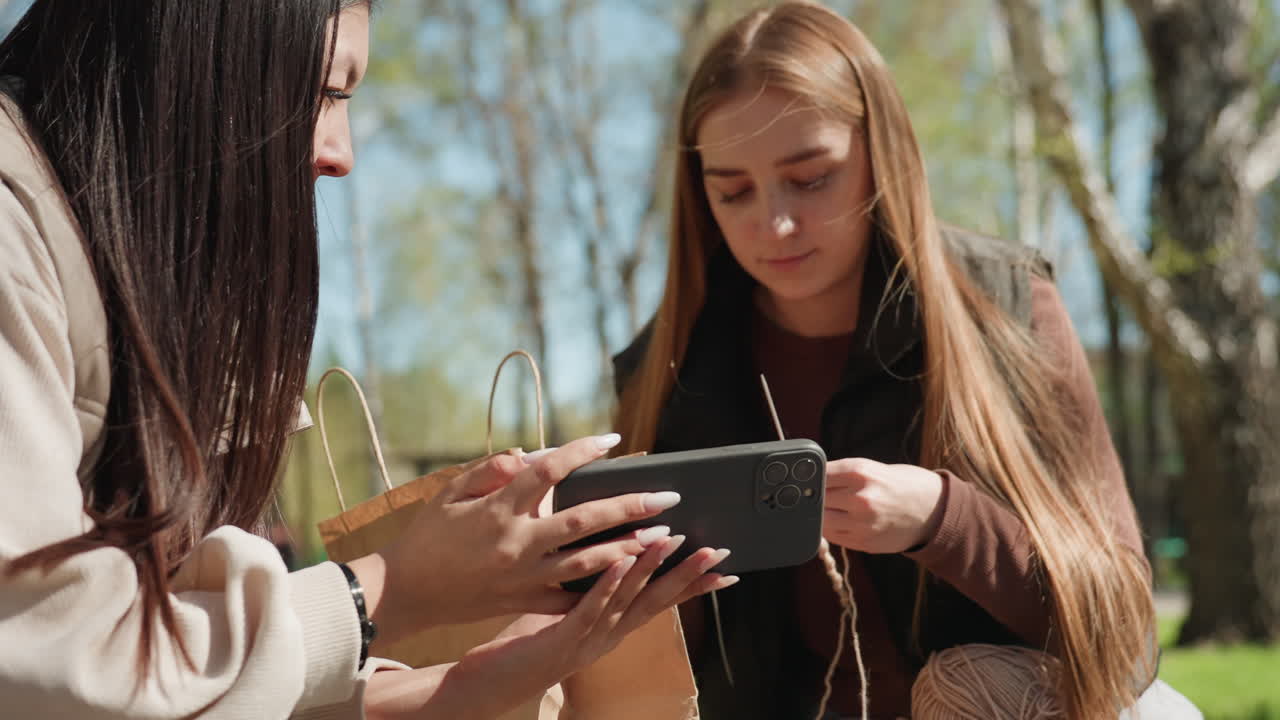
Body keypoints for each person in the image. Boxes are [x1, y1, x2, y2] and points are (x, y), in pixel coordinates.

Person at [0, 2, 732, 718]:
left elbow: (173, 674)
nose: (341, 154)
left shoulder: (143, 272)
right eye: (328, 92)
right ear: (201, 51)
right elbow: (52, 663)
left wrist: (479, 681)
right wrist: (391, 588)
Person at [611, 3, 1180, 718]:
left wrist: (943, 521)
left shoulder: (1006, 307)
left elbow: (1125, 631)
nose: (774, 223)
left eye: (811, 177)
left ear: (883, 155)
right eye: (733, 191)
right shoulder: (663, 368)